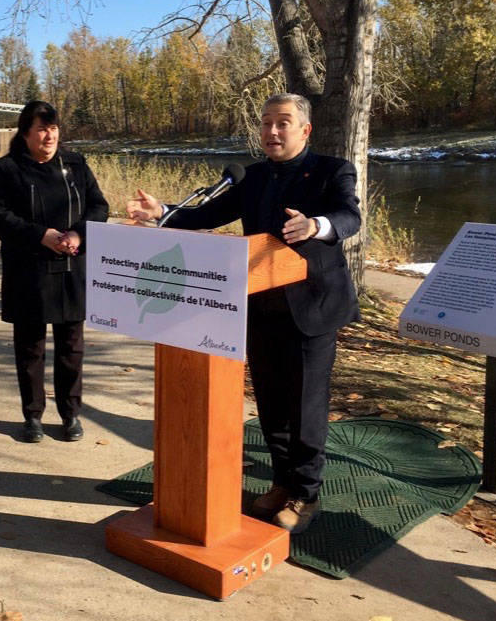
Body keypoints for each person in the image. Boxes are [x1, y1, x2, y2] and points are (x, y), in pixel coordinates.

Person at [126, 93, 361, 533]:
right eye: (266, 123)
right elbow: (206, 216)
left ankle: (305, 494)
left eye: (283, 123)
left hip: (313, 308)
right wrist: (162, 213)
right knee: (271, 402)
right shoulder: (251, 177)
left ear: (304, 130)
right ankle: (279, 481)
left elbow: (349, 217)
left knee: (305, 404)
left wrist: (315, 226)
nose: (272, 131)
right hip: (260, 305)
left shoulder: (333, 170)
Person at [0, 101, 109, 443]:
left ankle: (70, 414)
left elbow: (99, 205)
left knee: (72, 348)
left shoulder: (75, 164)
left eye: (53, 128)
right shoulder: (7, 169)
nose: (49, 135)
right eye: (41, 128)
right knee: (30, 349)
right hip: (29, 272)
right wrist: (42, 235)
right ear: (25, 134)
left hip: (72, 269)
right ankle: (33, 416)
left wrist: (78, 233)